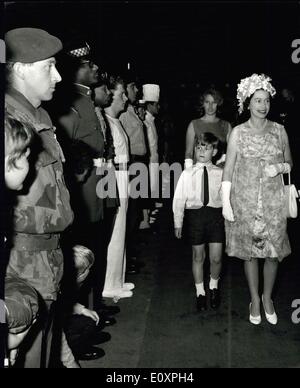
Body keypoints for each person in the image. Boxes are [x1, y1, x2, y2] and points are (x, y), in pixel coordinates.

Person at [5, 27, 74, 368]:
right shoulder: (10, 123)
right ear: (19, 69)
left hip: (47, 257)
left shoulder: (39, 117)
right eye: (49, 66)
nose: (59, 76)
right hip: (21, 264)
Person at [222, 73, 293, 325]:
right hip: (246, 200)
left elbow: (290, 163)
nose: (263, 106)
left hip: (273, 202)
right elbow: (228, 169)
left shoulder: (279, 130)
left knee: (273, 254)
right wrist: (226, 202)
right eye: (258, 101)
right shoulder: (238, 133)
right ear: (248, 103)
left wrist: (279, 168)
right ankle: (254, 298)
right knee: (250, 253)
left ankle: (267, 298)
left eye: (266, 101)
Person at [173, 133, 224, 311]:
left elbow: (227, 197)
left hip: (215, 216)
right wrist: (178, 222)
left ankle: (214, 287)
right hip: (195, 217)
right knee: (198, 256)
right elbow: (179, 198)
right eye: (199, 147)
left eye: (207, 147)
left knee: (216, 258)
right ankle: (200, 292)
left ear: (215, 151)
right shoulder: (187, 173)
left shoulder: (220, 173)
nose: (202, 151)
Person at [102, 76, 134, 301]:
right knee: (115, 231)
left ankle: (118, 280)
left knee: (121, 229)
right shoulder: (106, 121)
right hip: (114, 177)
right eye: (121, 94)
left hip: (124, 176)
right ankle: (109, 284)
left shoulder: (115, 120)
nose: (125, 98)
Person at [119, 73, 148, 273]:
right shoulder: (123, 113)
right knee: (130, 213)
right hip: (131, 165)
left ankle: (130, 255)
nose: (136, 90)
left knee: (135, 212)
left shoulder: (131, 110)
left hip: (138, 164)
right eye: (132, 87)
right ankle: (126, 259)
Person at [185, 87, 232, 169]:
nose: (210, 106)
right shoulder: (194, 124)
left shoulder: (226, 125)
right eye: (207, 102)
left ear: (218, 104)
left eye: (214, 102)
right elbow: (189, 153)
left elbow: (232, 152)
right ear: (203, 103)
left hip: (220, 172)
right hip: (199, 171)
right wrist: (188, 172)